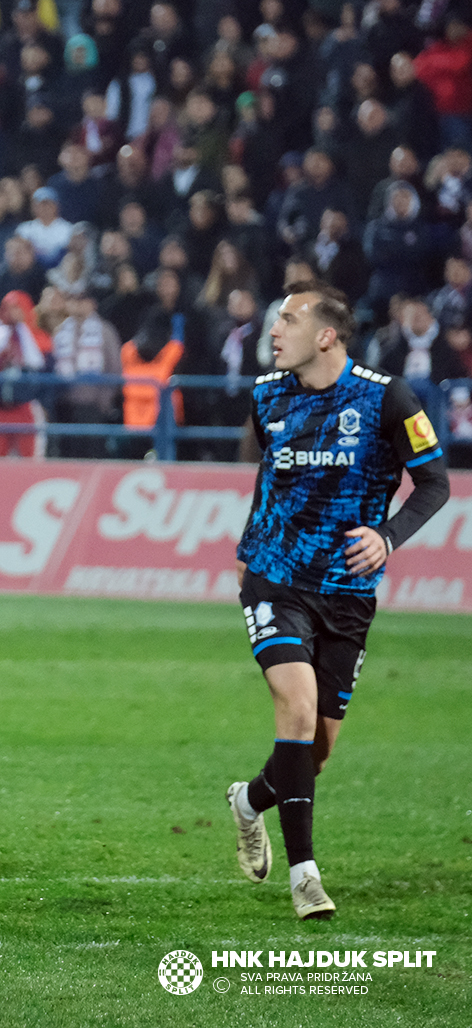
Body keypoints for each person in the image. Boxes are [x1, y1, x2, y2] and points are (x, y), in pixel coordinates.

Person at [227, 281, 449, 920]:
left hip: (348, 594)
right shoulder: (266, 397)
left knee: (315, 751)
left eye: (288, 320)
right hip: (275, 578)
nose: (275, 330)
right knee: (294, 710)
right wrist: (249, 549)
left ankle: (249, 803)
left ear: (326, 335)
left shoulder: (386, 399)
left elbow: (433, 482)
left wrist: (388, 536)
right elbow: (269, 480)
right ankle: (306, 878)